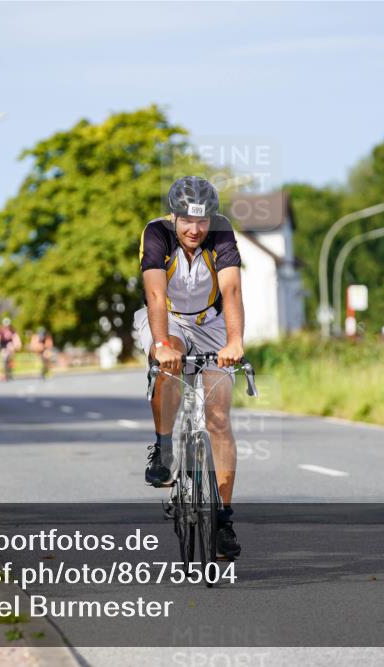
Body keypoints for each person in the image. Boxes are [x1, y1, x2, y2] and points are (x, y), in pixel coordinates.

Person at [134, 175, 245, 560]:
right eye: (187, 221)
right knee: (169, 363)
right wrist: (162, 345)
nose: (195, 230)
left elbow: (231, 289)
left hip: (211, 322)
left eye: (202, 221)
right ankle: (164, 450)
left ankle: (224, 519)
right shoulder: (156, 234)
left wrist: (234, 342)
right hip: (168, 318)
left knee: (218, 416)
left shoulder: (222, 233)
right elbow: (155, 293)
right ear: (174, 216)